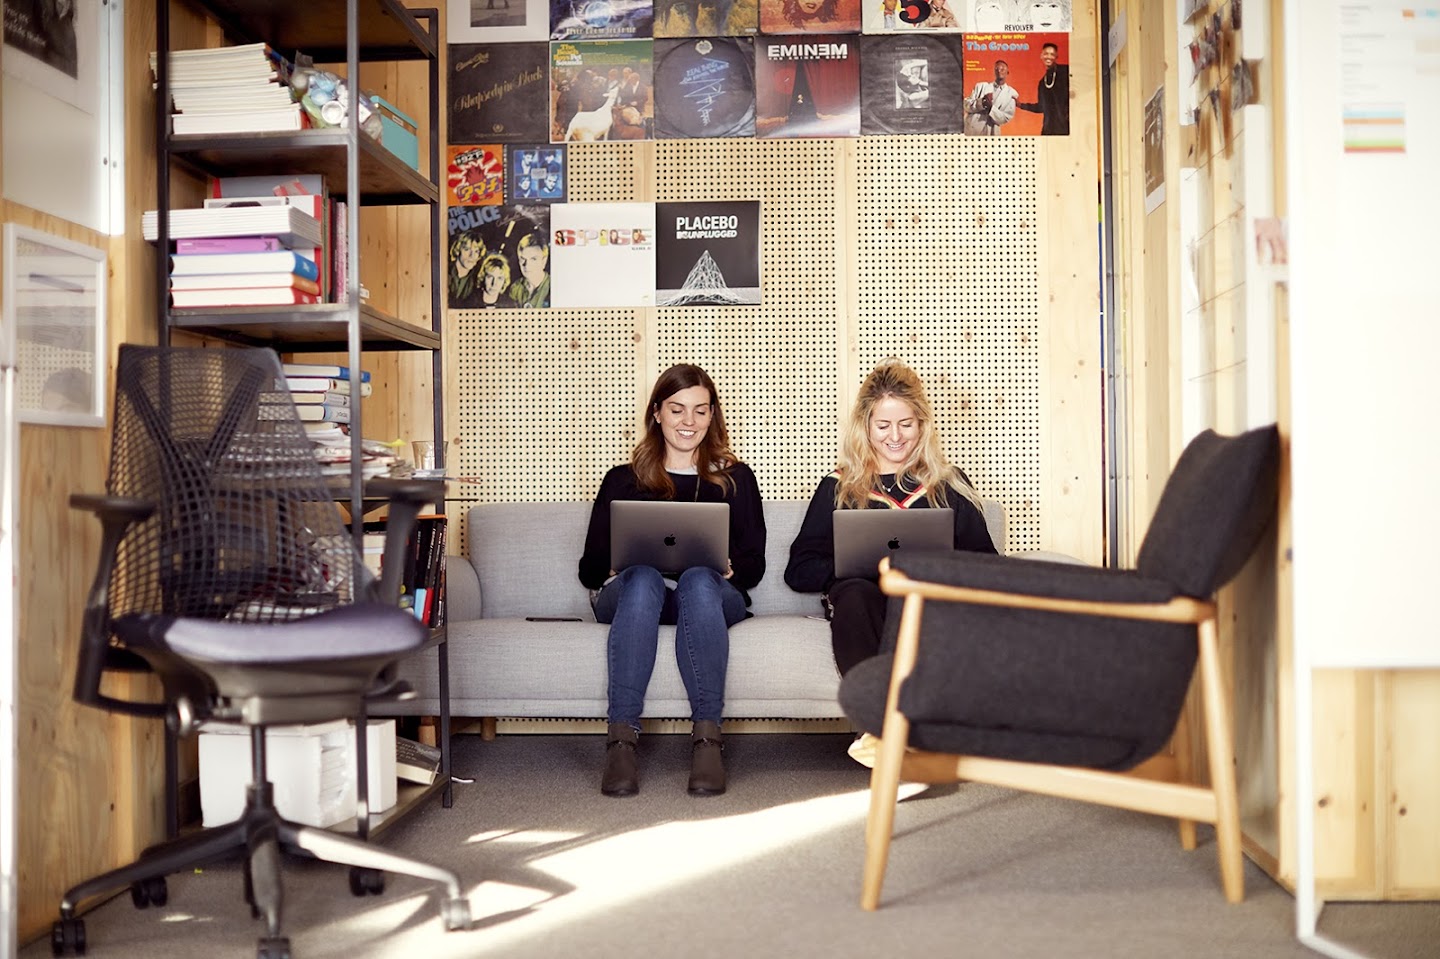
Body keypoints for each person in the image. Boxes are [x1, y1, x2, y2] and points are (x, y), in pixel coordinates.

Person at [579, 364, 767, 797]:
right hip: (636, 594)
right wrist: (615, 564)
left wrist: (730, 566)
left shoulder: (735, 479)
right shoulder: (621, 479)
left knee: (699, 577)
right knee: (643, 576)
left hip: (708, 595)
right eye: (677, 409)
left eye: (700, 411)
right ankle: (621, 744)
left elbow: (754, 566)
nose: (689, 421)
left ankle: (708, 743)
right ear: (657, 413)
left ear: (712, 415)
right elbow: (589, 569)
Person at [785, 358, 995, 693]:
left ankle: (921, 714)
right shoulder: (839, 487)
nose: (895, 436)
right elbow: (799, 571)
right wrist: (855, 565)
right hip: (861, 601)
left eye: (906, 424)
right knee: (855, 594)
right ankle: (878, 713)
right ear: (865, 426)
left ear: (922, 424)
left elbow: (987, 564)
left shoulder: (948, 484)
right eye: (883, 425)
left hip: (925, 597)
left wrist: (946, 568)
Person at [1017, 41, 1070, 135]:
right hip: (1048, 130)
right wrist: (1021, 105)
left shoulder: (1066, 71)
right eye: (1046, 54)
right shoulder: (1042, 83)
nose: (1048, 57)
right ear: (1041, 56)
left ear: (1056, 56)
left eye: (1052, 54)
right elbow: (1041, 107)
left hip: (1065, 129)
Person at [964, 59, 1018, 136]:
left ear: (1007, 72)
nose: (999, 71)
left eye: (1002, 69)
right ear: (994, 72)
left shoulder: (1012, 93)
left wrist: (991, 109)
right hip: (971, 130)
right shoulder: (980, 86)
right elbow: (966, 105)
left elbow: (1005, 118)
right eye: (996, 69)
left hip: (991, 133)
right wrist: (982, 102)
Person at [507, 231, 550, 307]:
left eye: (533, 259)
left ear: (544, 261)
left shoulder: (553, 286)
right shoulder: (515, 288)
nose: (527, 265)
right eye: (523, 259)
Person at [446, 232, 485, 307]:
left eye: (476, 251)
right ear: (458, 250)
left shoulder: (477, 280)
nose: (472, 256)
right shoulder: (444, 271)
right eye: (467, 249)